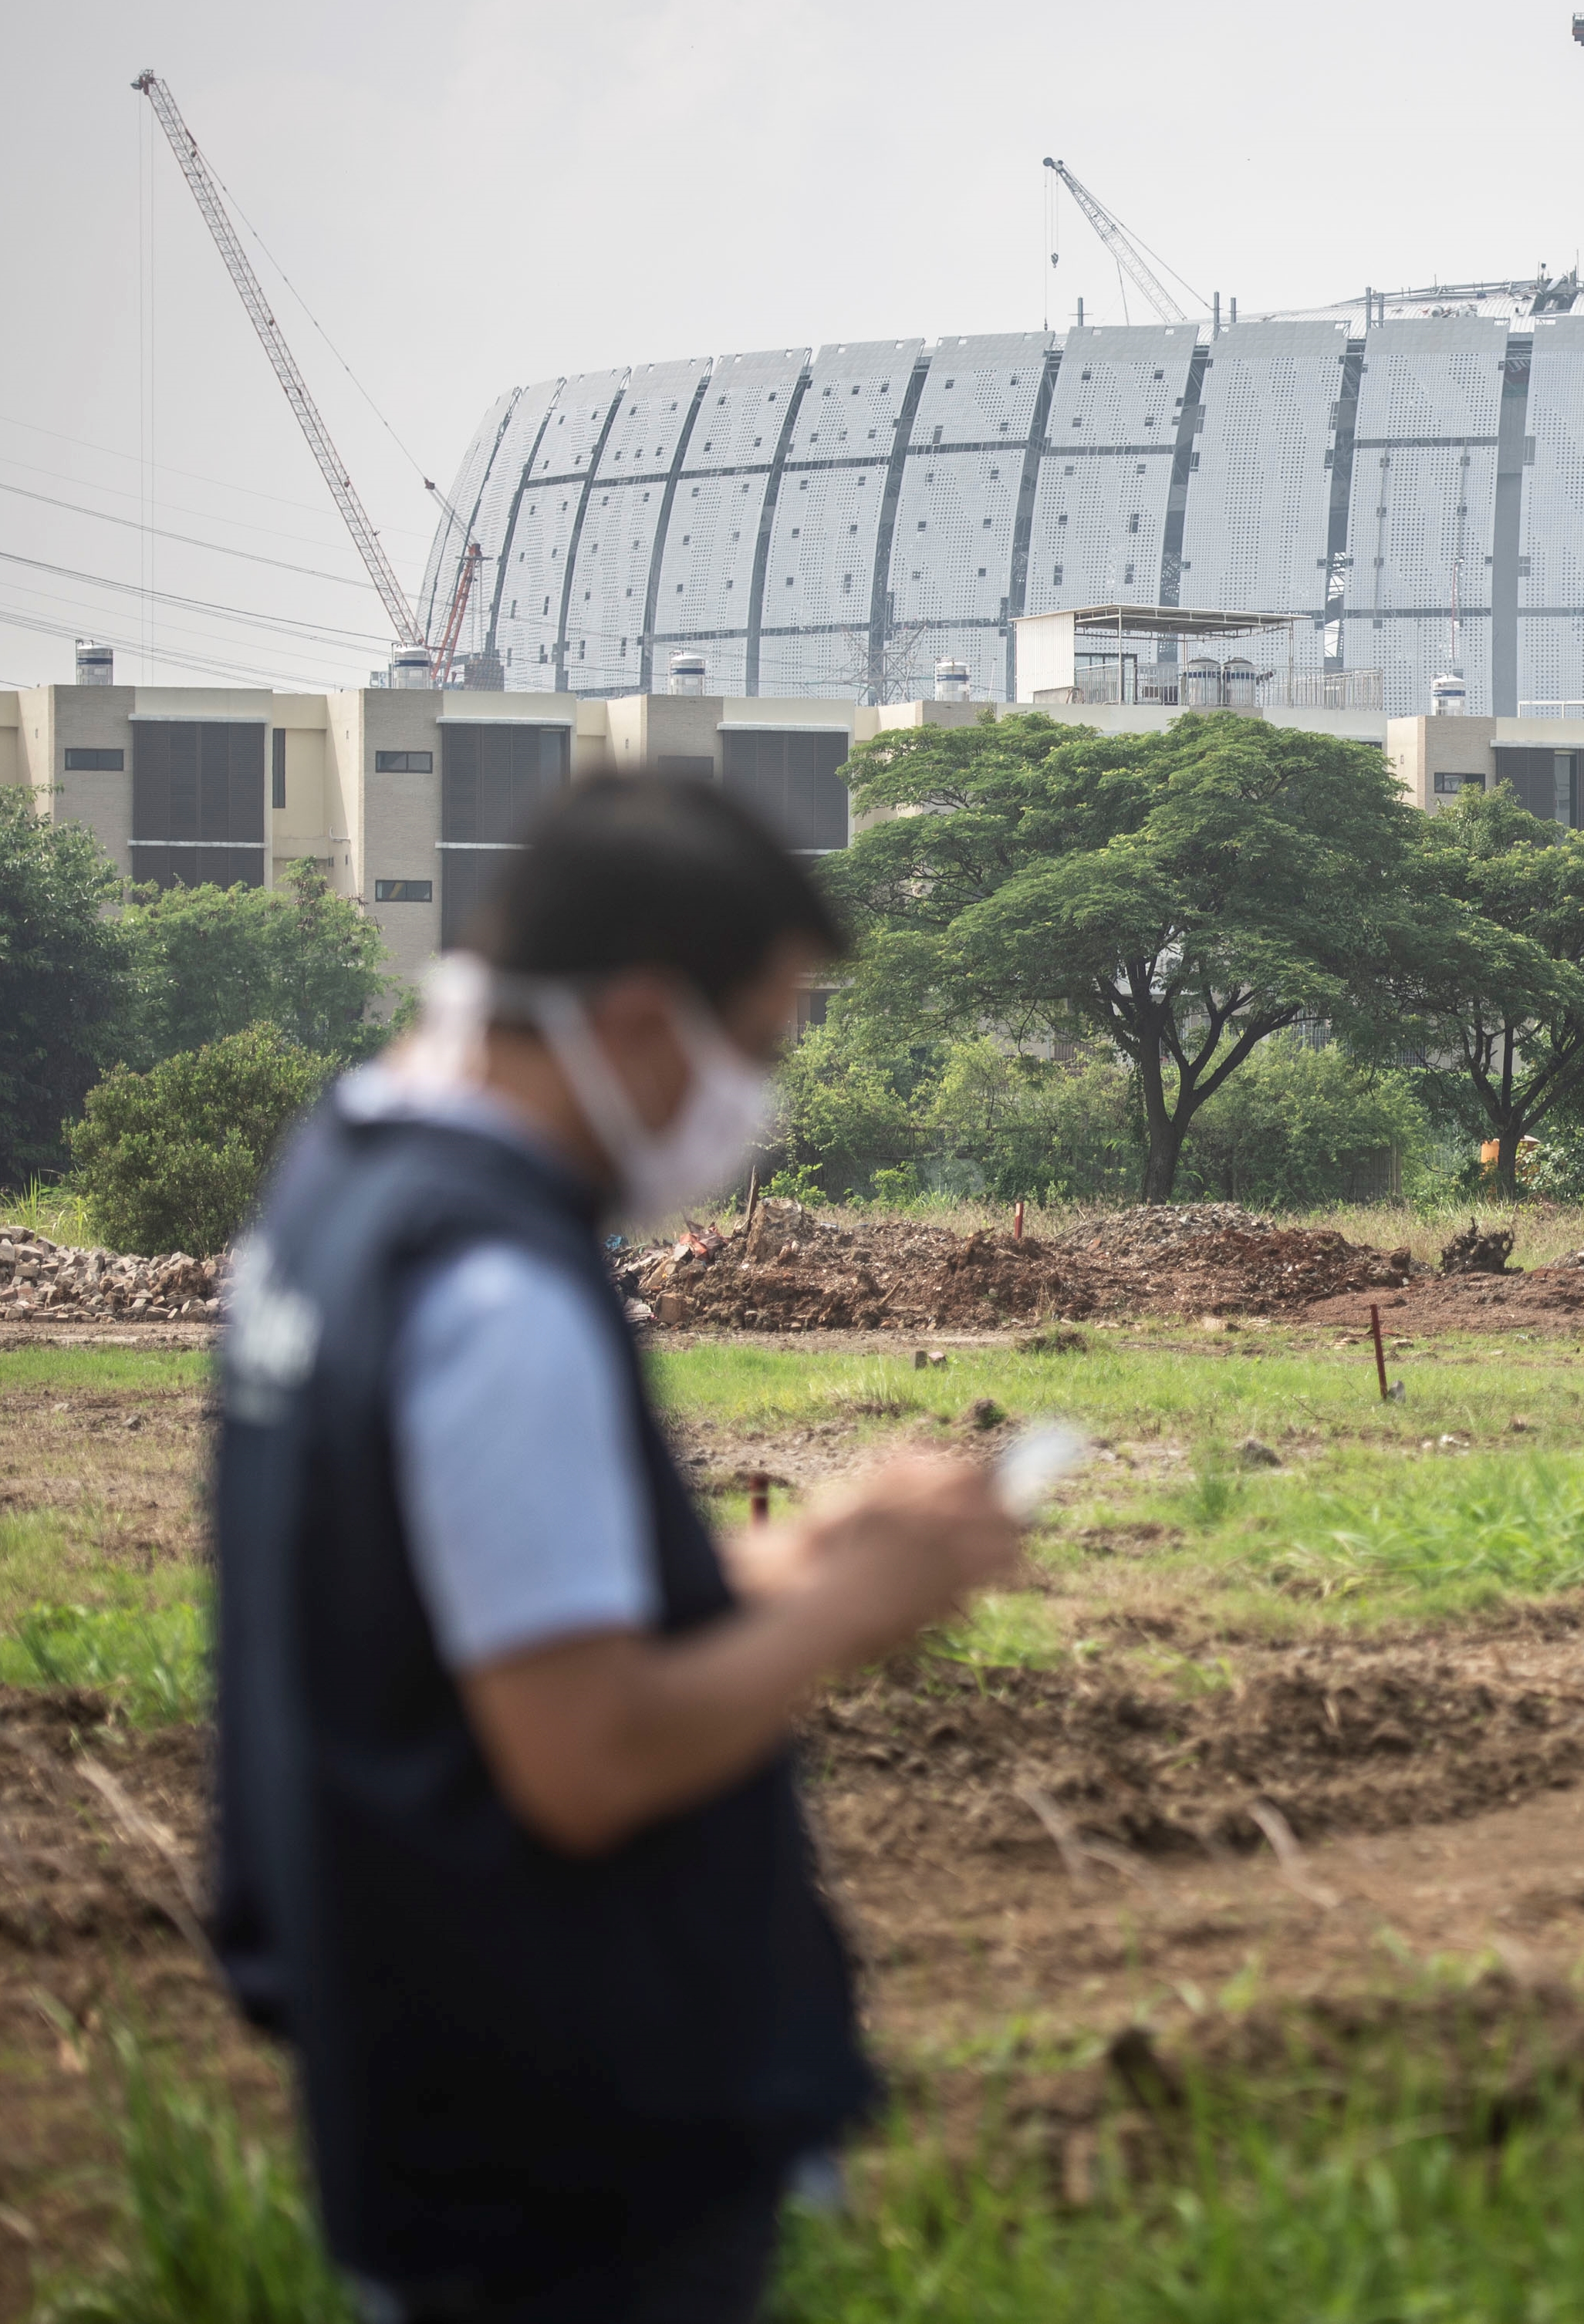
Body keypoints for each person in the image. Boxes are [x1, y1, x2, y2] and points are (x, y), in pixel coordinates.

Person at [210, 773, 1022, 2324]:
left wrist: (786, 1561)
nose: (752, 1101)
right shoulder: (498, 1289)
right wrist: (855, 1603)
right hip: (572, 2143)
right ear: (648, 1022)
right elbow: (586, 1753)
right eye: (762, 1044)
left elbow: (491, 1608)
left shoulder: (344, 1187)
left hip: (424, 2074)